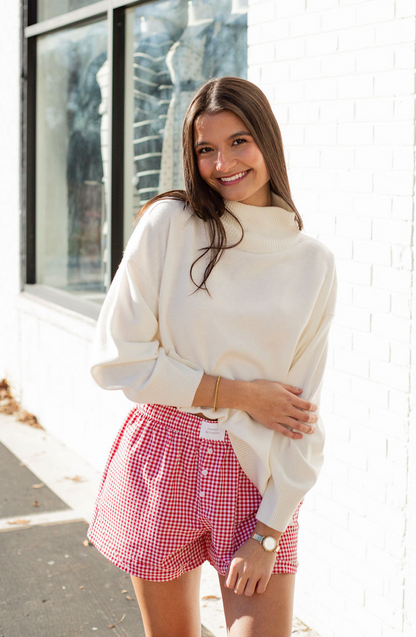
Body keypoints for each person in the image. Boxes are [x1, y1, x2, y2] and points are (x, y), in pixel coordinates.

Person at [87, 76, 337, 637]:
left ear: (268, 142)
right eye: (206, 149)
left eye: (239, 141)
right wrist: (241, 394)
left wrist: (270, 530)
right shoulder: (169, 225)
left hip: (253, 472)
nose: (222, 163)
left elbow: (301, 415)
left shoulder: (312, 263)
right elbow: (115, 359)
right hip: (164, 454)